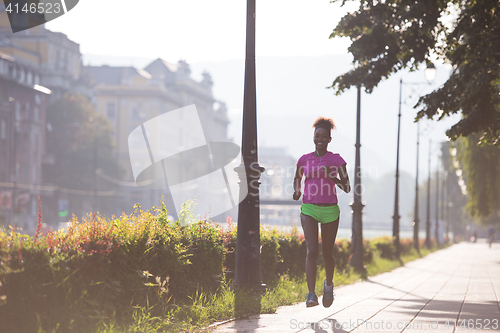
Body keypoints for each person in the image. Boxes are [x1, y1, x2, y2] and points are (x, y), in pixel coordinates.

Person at [292, 117, 350, 308]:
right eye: (317, 136)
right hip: (309, 207)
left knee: (327, 253)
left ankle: (328, 286)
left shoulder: (336, 160)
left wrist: (332, 176)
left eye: (324, 136)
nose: (320, 139)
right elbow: (297, 179)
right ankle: (310, 294)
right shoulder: (304, 159)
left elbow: (347, 187)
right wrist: (297, 190)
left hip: (330, 210)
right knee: (312, 250)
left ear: (329, 139)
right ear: (313, 137)